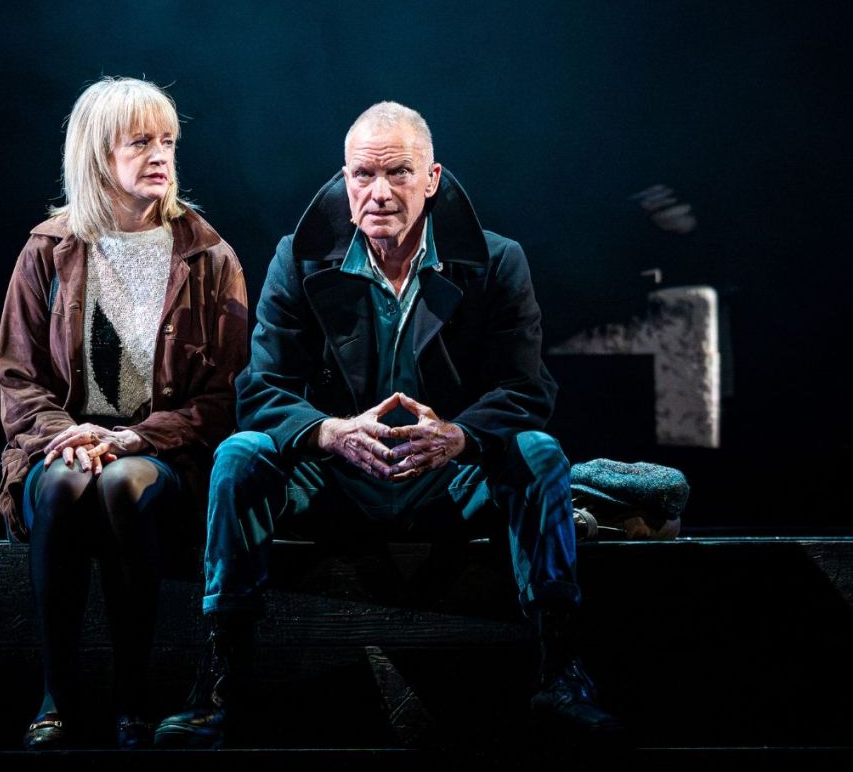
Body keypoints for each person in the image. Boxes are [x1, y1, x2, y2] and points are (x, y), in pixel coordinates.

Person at [154, 101, 621, 747]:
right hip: (337, 479)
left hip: (447, 480)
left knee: (539, 451)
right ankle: (218, 682)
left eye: (397, 174)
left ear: (431, 178)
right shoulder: (300, 258)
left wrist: (459, 435)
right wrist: (328, 432)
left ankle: (560, 675)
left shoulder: (496, 260)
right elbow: (260, 389)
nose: (378, 193)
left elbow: (526, 389)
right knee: (239, 455)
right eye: (361, 176)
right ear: (344, 180)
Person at [0, 77, 249, 749]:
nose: (160, 154)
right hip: (66, 449)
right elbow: (18, 379)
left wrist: (135, 435)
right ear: (97, 154)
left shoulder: (209, 256)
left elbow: (225, 396)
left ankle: (133, 698)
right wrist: (66, 436)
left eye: (167, 140)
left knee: (120, 482)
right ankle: (56, 696)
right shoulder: (47, 250)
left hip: (166, 457)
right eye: (140, 141)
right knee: (63, 485)